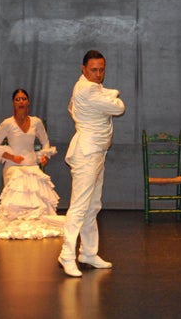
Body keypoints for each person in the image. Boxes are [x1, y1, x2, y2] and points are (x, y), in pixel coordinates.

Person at [0, 89, 63, 239]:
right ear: (13, 103)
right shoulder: (7, 123)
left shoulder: (36, 122)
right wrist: (11, 157)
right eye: (18, 99)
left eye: (24, 99)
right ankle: (16, 215)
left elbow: (46, 142)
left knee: (36, 179)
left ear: (28, 102)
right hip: (13, 166)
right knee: (19, 177)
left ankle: (34, 216)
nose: (21, 102)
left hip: (31, 164)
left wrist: (44, 156)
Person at [58, 50, 125, 277]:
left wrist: (108, 94)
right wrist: (114, 94)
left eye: (101, 69)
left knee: (92, 205)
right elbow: (119, 107)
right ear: (83, 69)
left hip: (96, 152)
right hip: (87, 153)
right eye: (94, 70)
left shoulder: (90, 87)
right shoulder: (87, 89)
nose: (98, 74)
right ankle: (66, 255)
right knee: (79, 206)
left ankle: (87, 252)